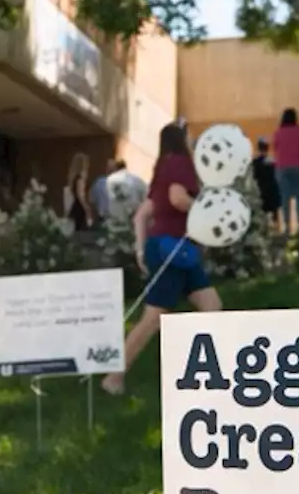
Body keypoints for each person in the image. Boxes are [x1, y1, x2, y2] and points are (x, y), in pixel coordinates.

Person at [102, 123, 221, 395]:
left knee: (212, 305)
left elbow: (141, 215)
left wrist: (142, 251)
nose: (192, 141)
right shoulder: (180, 163)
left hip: (174, 250)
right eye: (189, 136)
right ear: (181, 140)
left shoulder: (162, 169)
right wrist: (206, 209)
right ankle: (114, 377)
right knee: (154, 317)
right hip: (174, 250)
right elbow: (178, 199)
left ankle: (206, 374)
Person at [273, 108, 299, 232]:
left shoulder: (279, 132)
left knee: (285, 197)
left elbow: (275, 147)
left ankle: (287, 226)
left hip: (283, 166)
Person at [251, 138, 282, 227]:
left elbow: (253, 177)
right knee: (275, 214)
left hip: (260, 191)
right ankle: (277, 229)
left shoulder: (255, 162)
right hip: (273, 191)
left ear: (258, 148)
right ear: (267, 149)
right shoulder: (273, 161)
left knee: (261, 214)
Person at [64, 152, 92, 232]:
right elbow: (80, 194)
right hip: (80, 207)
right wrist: (87, 208)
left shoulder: (73, 179)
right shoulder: (80, 179)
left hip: (74, 206)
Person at [90, 157, 117, 224]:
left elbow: (92, 200)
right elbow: (92, 200)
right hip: (105, 217)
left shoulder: (99, 182)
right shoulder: (99, 182)